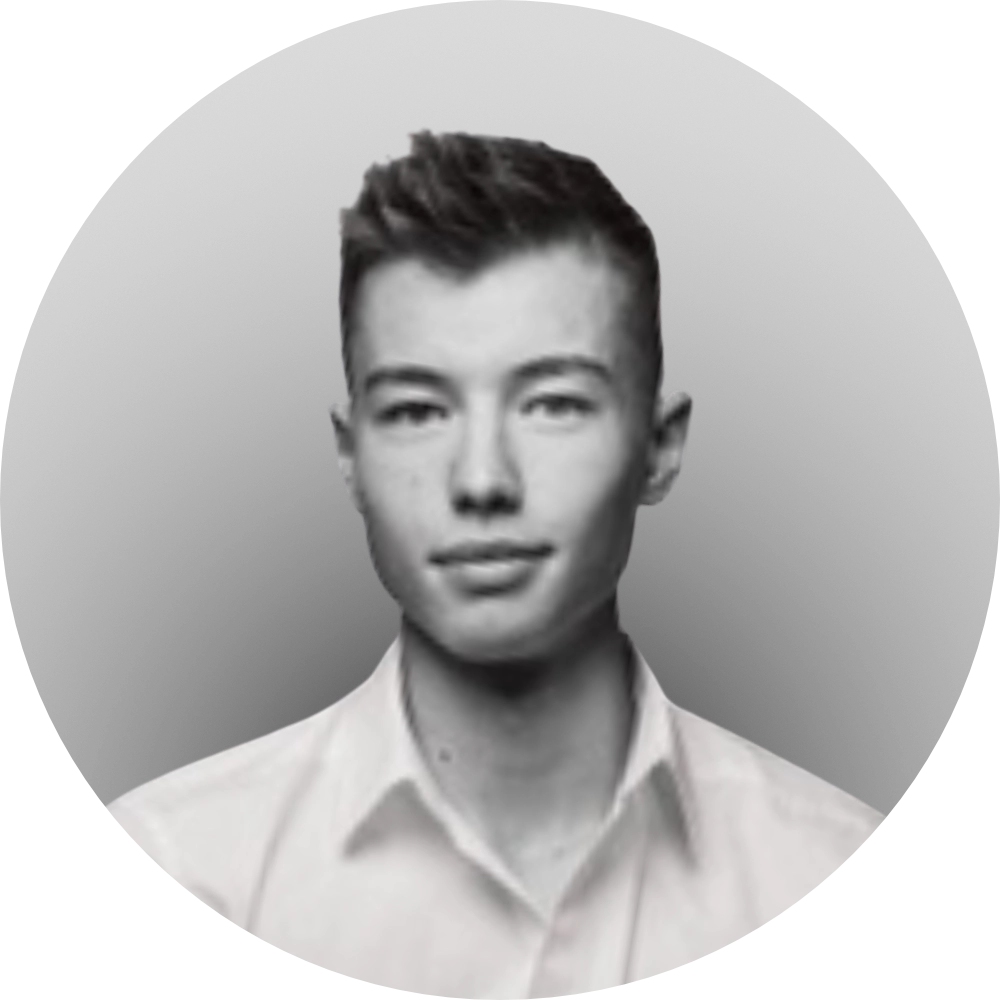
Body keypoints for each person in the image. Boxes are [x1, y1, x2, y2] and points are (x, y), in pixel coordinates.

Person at [105, 129, 889, 994]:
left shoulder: (826, 864)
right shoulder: (180, 865)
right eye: (417, 410)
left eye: (553, 404)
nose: (482, 481)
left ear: (660, 447)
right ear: (350, 456)